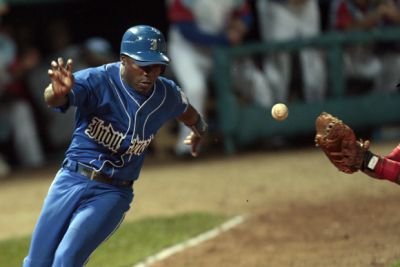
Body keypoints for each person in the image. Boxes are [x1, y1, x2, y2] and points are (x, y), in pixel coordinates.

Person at [23, 25, 207, 266]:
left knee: (65, 259)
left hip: (112, 192)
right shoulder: (97, 80)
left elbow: (189, 113)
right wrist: (57, 92)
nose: (150, 74)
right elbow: (55, 96)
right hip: (70, 179)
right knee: (36, 262)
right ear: (123, 60)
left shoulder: (166, 94)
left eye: (157, 66)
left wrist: (198, 131)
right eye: (143, 65)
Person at [167, 0, 273, 157]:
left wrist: (241, 26)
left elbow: (245, 13)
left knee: (258, 82)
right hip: (189, 50)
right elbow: (186, 29)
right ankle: (187, 148)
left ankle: (271, 134)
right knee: (195, 88)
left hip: (222, 49)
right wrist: (226, 39)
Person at [256, 0, 327, 102]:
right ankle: (275, 109)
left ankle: (317, 104)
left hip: (307, 5)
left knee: (312, 54)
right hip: (276, 5)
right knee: (279, 57)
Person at [329, 0, 400, 93]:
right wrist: (373, 18)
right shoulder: (342, 3)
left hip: (367, 58)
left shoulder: (376, 4)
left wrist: (393, 14)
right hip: (344, 60)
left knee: (394, 63)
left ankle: (380, 104)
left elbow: (392, 15)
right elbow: (346, 33)